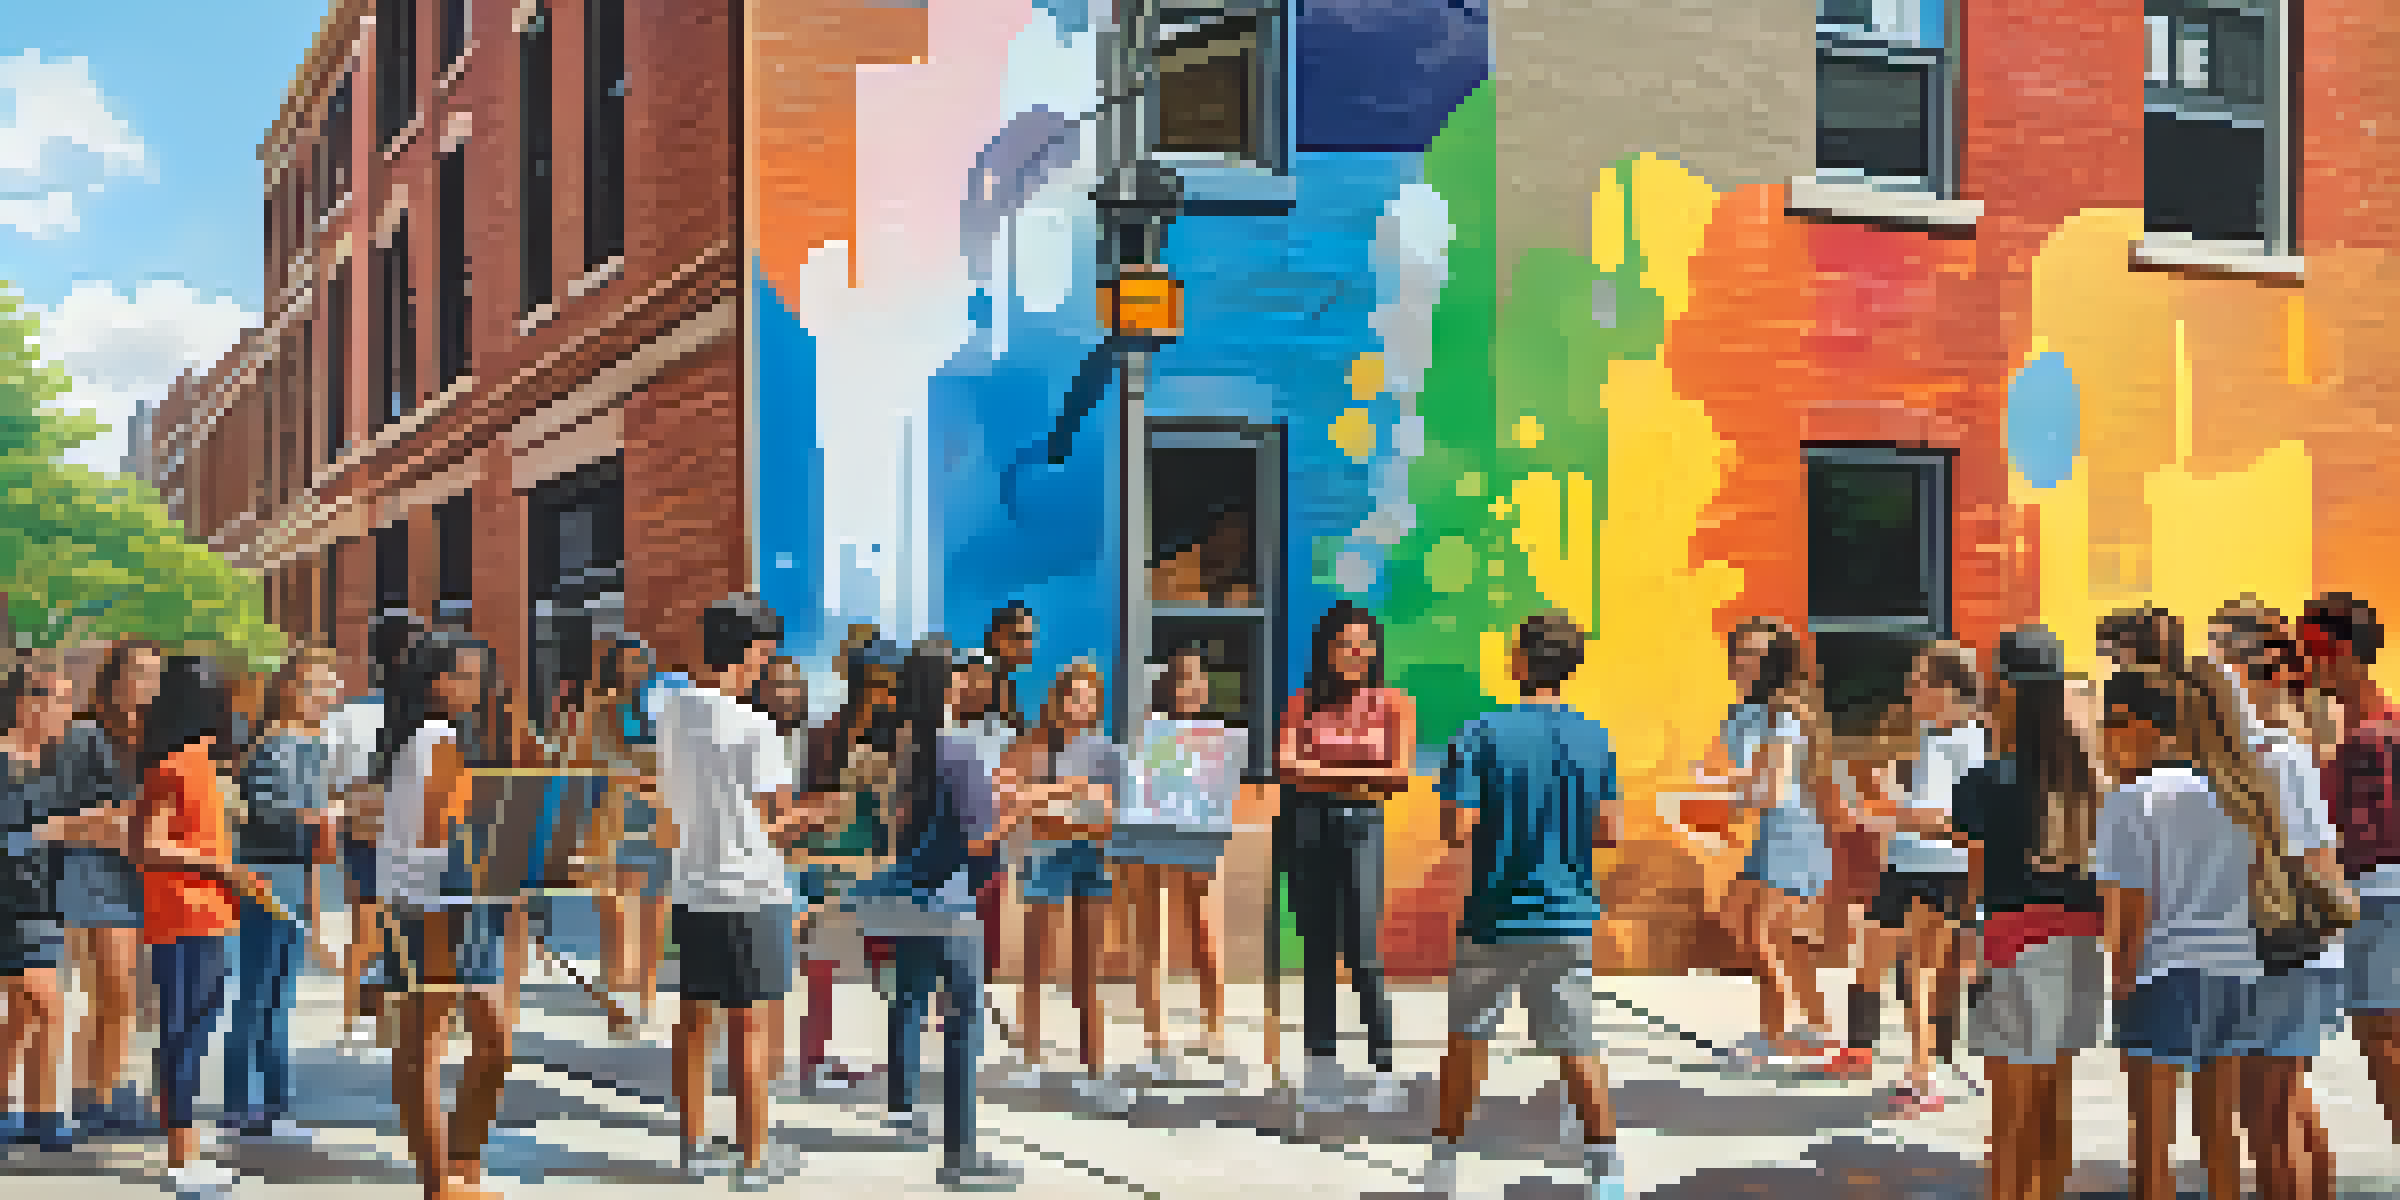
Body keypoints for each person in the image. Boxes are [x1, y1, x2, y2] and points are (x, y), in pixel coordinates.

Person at [1424, 612, 1624, 1200]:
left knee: (1466, 1039)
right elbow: (1610, 829)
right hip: (1565, 914)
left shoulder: (1480, 732)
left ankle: (1444, 1165)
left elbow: (1457, 829)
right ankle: (1606, 1171)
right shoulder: (1593, 736)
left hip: (1494, 916)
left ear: (1521, 661)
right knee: (1577, 1046)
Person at [660, 595, 825, 1188]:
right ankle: (754, 1157)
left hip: (693, 885)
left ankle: (692, 1144)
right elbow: (773, 821)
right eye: (766, 651)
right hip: (752, 891)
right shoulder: (758, 729)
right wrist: (817, 812)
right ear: (750, 650)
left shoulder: (674, 712)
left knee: (693, 1023)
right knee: (749, 1026)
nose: (768, 664)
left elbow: (676, 803)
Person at [848, 644, 1025, 1188]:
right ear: (948, 686)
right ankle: (962, 1155)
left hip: (910, 897)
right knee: (961, 1023)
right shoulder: (961, 753)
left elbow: (904, 829)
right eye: (965, 672)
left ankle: (902, 1107)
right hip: (950, 904)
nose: (977, 679)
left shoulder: (911, 749)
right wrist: (1020, 811)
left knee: (908, 998)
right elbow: (976, 839)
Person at [2096, 664, 2272, 1200]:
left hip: (2162, 967)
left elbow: (2131, 899)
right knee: (2221, 1127)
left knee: (2152, 1133)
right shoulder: (2239, 792)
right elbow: (2256, 879)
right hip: (2236, 967)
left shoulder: (2134, 795)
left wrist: (2120, 975)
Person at [1952, 627, 2108, 1200]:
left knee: (2010, 1111)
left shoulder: (1988, 780)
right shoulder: (2087, 776)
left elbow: (1973, 867)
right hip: (2080, 942)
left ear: (2008, 691)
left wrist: (1965, 936)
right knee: (2053, 1097)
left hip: (2014, 940)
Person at [138, 655, 282, 1198]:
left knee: (190, 1034)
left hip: (207, 912)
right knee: (185, 1035)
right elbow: (147, 847)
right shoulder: (177, 767)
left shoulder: (195, 765)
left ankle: (185, 1152)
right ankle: (182, 1158)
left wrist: (230, 873)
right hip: (185, 915)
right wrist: (220, 866)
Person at [377, 632, 514, 1200]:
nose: (477, 684)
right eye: (466, 674)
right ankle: (441, 1180)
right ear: (437, 683)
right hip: (437, 904)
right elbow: (444, 836)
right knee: (430, 1041)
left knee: (486, 1036)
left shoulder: (430, 738)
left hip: (443, 899)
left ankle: (458, 1165)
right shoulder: (436, 738)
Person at [2220, 621, 2346, 1200]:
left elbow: (2315, 853)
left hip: (2280, 941)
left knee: (2267, 1110)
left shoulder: (2268, 752)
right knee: (2286, 1098)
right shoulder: (2277, 750)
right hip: (2293, 942)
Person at [1277, 602, 1414, 1114]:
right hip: (1307, 824)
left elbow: (1399, 775)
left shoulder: (1394, 704)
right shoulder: (1305, 702)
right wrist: (1358, 772)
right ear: (1327, 650)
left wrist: (1321, 769)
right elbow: (1284, 764)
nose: (1354, 654)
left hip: (1362, 826)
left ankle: (1382, 1068)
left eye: (1363, 644)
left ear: (1375, 651)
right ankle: (1322, 1067)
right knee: (1316, 948)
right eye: (1343, 644)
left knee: (1362, 949)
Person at [1706, 617, 1844, 1074]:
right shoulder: (1740, 714)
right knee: (1772, 939)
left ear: (1775, 662)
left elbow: (1773, 788)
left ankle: (1779, 1037)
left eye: (1755, 655)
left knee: (1766, 939)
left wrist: (1720, 787)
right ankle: (1817, 1032)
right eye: (1738, 653)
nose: (1743, 663)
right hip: (1760, 836)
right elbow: (1737, 775)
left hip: (1789, 834)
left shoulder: (1781, 715)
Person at [1860, 641, 1988, 1115]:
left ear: (1949, 689)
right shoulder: (1933, 737)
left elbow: (1957, 817)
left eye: (1921, 683)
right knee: (1899, 966)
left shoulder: (1971, 743)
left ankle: (1923, 1073)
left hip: (1942, 867)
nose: (1912, 692)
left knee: (1924, 973)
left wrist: (1889, 812)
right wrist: (1893, 796)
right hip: (1906, 863)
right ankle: (1918, 1065)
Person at [1, 657, 122, 1153]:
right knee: (40, 1002)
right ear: (26, 703)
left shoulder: (62, 760)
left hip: (44, 898)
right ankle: (40, 1115)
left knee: (32, 1013)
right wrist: (61, 828)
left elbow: (102, 812)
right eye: (58, 700)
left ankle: (36, 1113)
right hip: (7, 901)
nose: (68, 713)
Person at [223, 644, 342, 1141]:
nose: (329, 692)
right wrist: (327, 816)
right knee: (258, 993)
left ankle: (272, 1106)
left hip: (290, 877)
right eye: (319, 683)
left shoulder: (311, 745)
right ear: (291, 689)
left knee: (277, 995)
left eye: (331, 682)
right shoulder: (276, 746)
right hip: (267, 877)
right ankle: (241, 1106)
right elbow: (263, 816)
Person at [1000, 661, 1126, 1107]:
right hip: (1045, 855)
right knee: (1036, 962)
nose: (1081, 704)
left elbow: (1110, 813)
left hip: (1090, 856)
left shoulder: (1108, 751)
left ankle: (1094, 1068)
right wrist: (1072, 791)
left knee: (1087, 969)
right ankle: (1029, 1058)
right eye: (1074, 694)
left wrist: (1055, 796)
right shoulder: (1035, 746)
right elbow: (1012, 795)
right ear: (1058, 698)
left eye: (1090, 696)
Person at [1115, 644, 1243, 1083]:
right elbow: (1135, 785)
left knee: (1203, 931)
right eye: (1182, 677)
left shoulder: (1218, 735)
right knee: (1150, 935)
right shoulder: (1145, 731)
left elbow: (1224, 792)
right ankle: (1156, 1036)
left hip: (1198, 837)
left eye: (1198, 678)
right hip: (1149, 837)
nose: (1192, 686)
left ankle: (1213, 1028)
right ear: (1166, 685)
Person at [2302, 593, 2400, 1139]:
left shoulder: (2369, 736)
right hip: (2375, 901)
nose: (2300, 662)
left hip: (2379, 901)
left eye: (2308, 648)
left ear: (2339, 652)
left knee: (2383, 1039)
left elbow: (2346, 833)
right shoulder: (2375, 726)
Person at [792, 638, 909, 1091]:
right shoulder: (826, 735)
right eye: (882, 681)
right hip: (835, 865)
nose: (889, 692)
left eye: (893, 682)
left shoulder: (899, 736)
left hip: (882, 866)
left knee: (892, 968)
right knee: (823, 966)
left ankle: (896, 1061)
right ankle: (814, 1061)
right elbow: (810, 805)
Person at [66, 638, 163, 1136]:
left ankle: (107, 1095)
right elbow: (67, 813)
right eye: (139, 672)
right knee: (113, 994)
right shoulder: (87, 733)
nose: (148, 683)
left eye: (155, 674)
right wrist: (128, 822)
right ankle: (93, 1100)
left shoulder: (156, 736)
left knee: (143, 998)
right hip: (95, 875)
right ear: (113, 678)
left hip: (145, 877)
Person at [329, 612, 422, 1060]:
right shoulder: (365, 717)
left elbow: (333, 786)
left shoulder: (349, 716)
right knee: (384, 930)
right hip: (388, 837)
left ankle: (362, 1019)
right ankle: (370, 1018)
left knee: (371, 929)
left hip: (375, 836)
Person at [594, 636, 684, 1029]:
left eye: (639, 661)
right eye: (627, 661)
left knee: (653, 914)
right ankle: (616, 1002)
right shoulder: (601, 709)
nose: (635, 669)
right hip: (612, 823)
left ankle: (644, 999)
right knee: (614, 915)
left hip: (657, 821)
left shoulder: (664, 706)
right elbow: (597, 759)